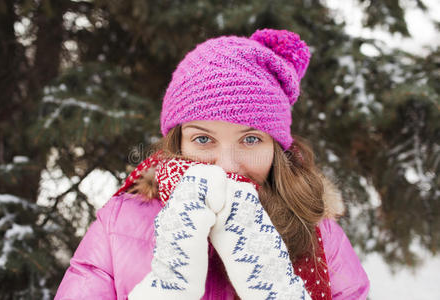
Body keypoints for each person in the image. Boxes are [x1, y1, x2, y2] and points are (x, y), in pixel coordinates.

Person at [55, 28, 369, 299]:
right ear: (177, 143)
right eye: (204, 140)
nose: (226, 167)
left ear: (276, 148)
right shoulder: (119, 224)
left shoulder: (319, 234)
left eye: (250, 139)